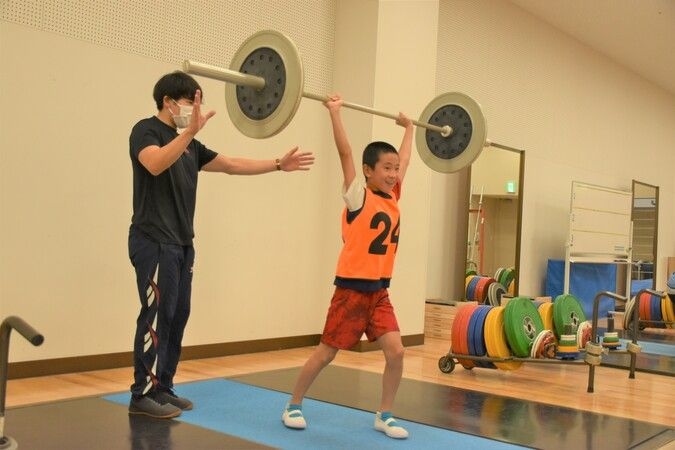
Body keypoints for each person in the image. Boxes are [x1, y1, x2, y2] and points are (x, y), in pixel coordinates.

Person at [128, 71, 315, 419]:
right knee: (156, 316)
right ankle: (141, 394)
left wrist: (277, 164)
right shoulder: (146, 130)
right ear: (168, 102)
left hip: (182, 244)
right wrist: (189, 132)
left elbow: (230, 164)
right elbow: (153, 164)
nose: (194, 110)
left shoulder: (190, 146)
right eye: (189, 102)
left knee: (177, 315)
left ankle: (163, 388)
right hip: (153, 240)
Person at [282, 94, 413, 439]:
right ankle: (293, 404)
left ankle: (385, 414)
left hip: (379, 293)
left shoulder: (393, 197)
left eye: (394, 168)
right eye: (386, 168)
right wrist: (335, 113)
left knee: (397, 352)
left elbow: (407, 161)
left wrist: (410, 129)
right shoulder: (358, 195)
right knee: (327, 353)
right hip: (352, 291)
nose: (393, 173)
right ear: (369, 171)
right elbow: (345, 153)